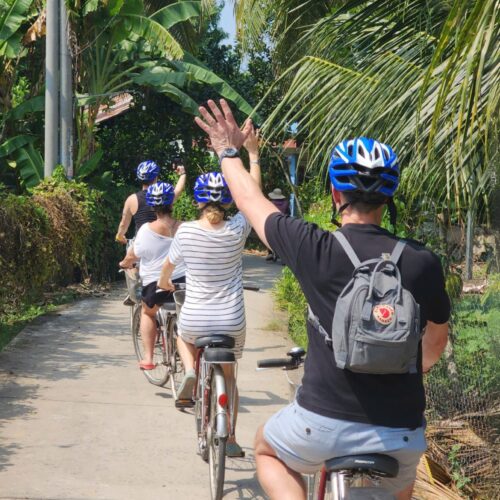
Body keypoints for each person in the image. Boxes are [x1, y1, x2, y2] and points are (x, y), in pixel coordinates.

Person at [193, 99, 451, 500]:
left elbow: (248, 200)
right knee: (402, 481)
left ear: (334, 193)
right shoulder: (423, 262)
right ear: (389, 198)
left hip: (321, 424)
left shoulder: (313, 246)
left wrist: (229, 151)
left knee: (267, 449)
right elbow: (433, 347)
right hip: (401, 432)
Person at [157, 127, 261, 458]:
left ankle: (189, 371)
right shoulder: (238, 228)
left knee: (182, 338)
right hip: (231, 320)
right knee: (230, 379)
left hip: (196, 318)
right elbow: (254, 196)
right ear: (228, 201)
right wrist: (253, 155)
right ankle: (229, 439)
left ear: (199, 201)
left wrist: (164, 284)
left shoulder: (185, 232)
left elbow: (167, 271)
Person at [119, 181, 186, 370]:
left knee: (147, 312)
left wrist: (125, 263)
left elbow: (132, 255)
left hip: (157, 286)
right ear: (172, 203)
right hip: (185, 284)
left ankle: (148, 358)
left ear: (151, 205)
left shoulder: (146, 230)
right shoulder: (186, 227)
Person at [115, 160, 186, 244]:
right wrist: (182, 174)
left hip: (141, 245)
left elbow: (123, 224)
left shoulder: (131, 199)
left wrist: (119, 236)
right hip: (163, 243)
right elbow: (178, 190)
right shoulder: (163, 196)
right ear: (156, 177)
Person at [266, 188, 289, 261]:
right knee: (283, 240)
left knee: (268, 237)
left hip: (272, 222)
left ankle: (270, 253)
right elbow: (288, 213)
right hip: (283, 223)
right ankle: (283, 257)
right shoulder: (286, 203)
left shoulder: (270, 203)